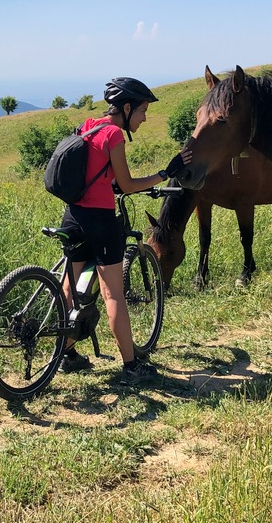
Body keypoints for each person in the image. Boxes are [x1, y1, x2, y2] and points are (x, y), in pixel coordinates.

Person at [58, 77, 186, 386]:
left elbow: (100, 175)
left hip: (72, 216)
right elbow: (127, 185)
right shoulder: (114, 134)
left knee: (69, 287)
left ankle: (66, 355)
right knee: (113, 293)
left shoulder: (87, 126)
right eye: (143, 110)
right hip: (100, 221)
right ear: (126, 108)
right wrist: (164, 174)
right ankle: (131, 367)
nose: (144, 118)